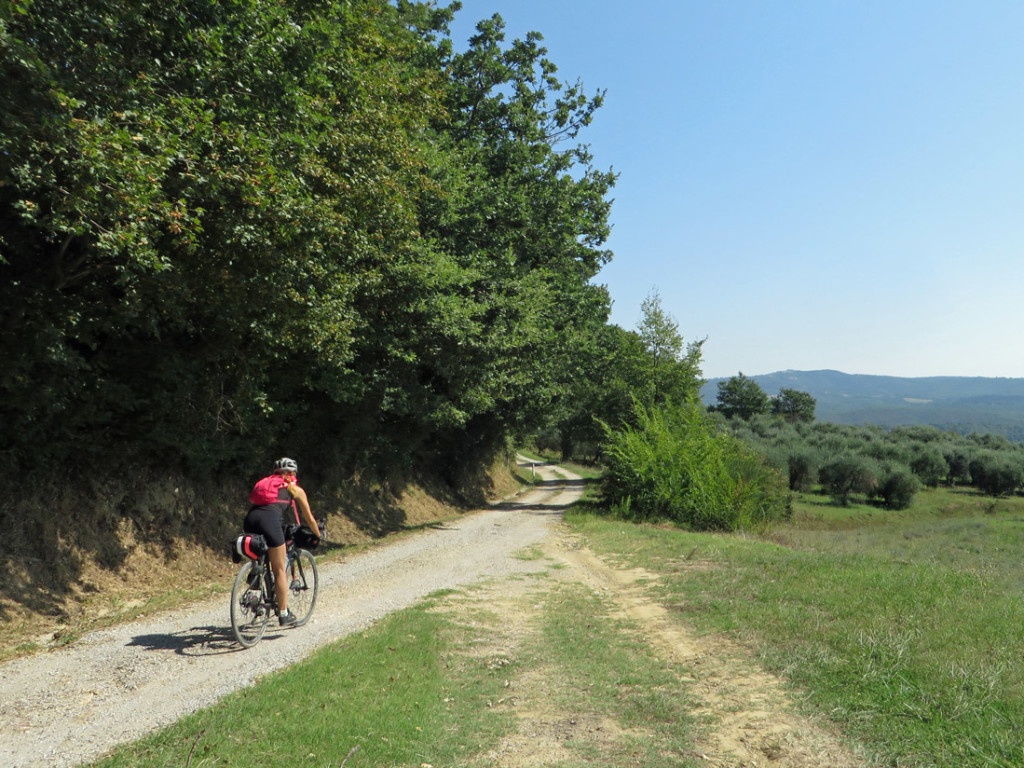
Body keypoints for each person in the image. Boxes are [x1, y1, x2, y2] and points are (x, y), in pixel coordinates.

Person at [243, 457, 320, 626]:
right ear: (292, 473)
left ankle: (255, 586)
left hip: (250, 519)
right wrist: (318, 534)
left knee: (259, 558)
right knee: (279, 570)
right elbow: (310, 519)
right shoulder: (294, 489)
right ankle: (284, 613)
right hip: (270, 521)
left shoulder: (265, 484)